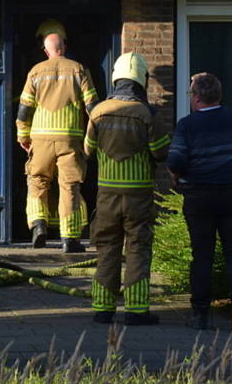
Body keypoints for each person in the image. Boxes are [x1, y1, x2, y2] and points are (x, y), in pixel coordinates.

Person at [85, 52, 170, 326]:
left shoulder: (98, 111)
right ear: (142, 80)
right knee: (138, 248)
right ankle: (135, 310)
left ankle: (102, 308)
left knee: (106, 248)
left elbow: (87, 150)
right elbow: (160, 153)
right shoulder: (148, 113)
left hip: (107, 196)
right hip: (138, 197)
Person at [166, 72, 232, 333]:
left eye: (191, 93)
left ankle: (201, 315)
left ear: (198, 97)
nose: (190, 98)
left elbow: (176, 161)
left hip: (199, 196)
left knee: (202, 256)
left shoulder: (187, 125)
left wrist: (175, 176)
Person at [17, 21, 99, 253]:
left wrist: (23, 136)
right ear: (64, 47)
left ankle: (38, 225)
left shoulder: (35, 71)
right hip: (70, 140)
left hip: (40, 140)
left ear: (46, 50)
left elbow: (24, 109)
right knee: (69, 186)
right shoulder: (79, 69)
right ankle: (69, 240)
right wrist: (93, 138)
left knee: (37, 181)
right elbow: (93, 107)